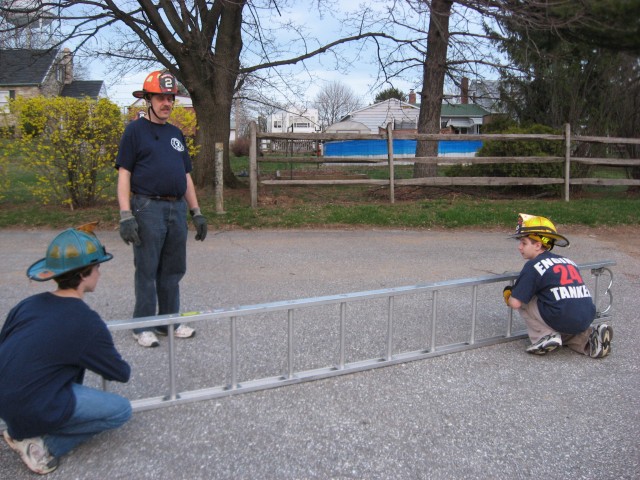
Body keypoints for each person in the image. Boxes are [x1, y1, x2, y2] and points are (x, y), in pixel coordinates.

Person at [0, 225, 131, 475]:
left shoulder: (27, 304)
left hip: (6, 396)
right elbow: (121, 373)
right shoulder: (86, 321)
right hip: (31, 404)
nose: (99, 274)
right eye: (97, 268)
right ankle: (41, 445)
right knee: (120, 410)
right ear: (83, 274)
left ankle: (21, 424)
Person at [116, 70, 207, 348]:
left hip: (176, 209)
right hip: (147, 207)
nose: (166, 103)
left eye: (170, 98)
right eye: (160, 97)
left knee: (173, 269)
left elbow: (186, 176)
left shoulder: (176, 134)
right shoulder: (135, 131)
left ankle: (168, 321)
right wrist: (125, 215)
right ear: (148, 99)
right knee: (147, 268)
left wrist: (196, 212)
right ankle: (141, 325)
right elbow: (124, 174)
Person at [503, 213, 613, 357]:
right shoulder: (568, 261)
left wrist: (509, 295)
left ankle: (544, 336)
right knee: (567, 326)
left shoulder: (533, 265)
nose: (519, 247)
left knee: (523, 299)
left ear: (538, 245)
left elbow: (515, 303)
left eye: (524, 243)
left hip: (559, 315)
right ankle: (590, 341)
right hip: (587, 316)